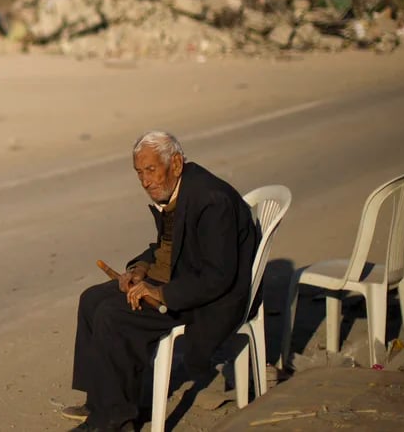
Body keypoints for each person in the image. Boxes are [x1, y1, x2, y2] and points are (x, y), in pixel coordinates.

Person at [62, 131, 260, 432]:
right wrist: (140, 269)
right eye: (139, 173)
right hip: (182, 276)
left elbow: (217, 277)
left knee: (113, 316)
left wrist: (161, 292)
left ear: (176, 164)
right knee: (91, 299)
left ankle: (115, 420)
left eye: (151, 170)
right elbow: (166, 246)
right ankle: (102, 400)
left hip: (209, 299)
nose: (144, 181)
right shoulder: (179, 190)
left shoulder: (210, 200)